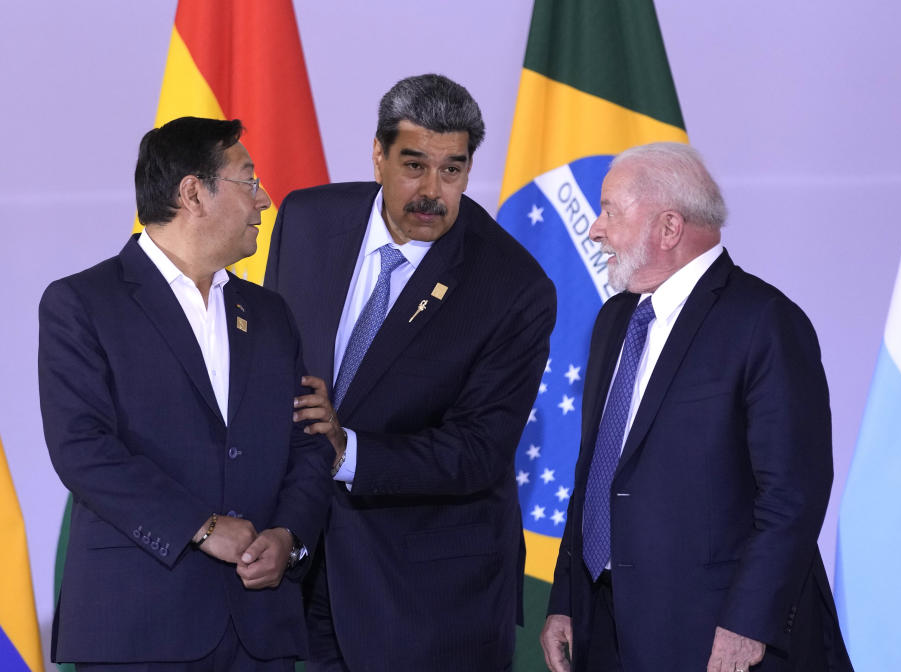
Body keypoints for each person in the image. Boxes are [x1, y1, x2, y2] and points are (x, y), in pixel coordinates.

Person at [264, 73, 557, 671]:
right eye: (414, 165)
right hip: (300, 570)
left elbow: (478, 449)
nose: (432, 190)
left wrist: (347, 450)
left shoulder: (512, 285)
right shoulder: (307, 219)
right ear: (378, 155)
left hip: (427, 599)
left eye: (453, 170)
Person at [540, 143, 853, 672]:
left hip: (711, 635)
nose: (596, 229)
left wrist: (749, 623)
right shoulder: (614, 319)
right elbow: (597, 473)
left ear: (668, 228)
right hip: (604, 630)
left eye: (611, 211)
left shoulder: (765, 322)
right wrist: (566, 600)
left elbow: (792, 496)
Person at [39, 116, 334, 671]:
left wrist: (289, 536)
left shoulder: (270, 315)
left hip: (260, 629)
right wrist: (201, 527)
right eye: (249, 180)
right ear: (193, 193)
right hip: (138, 626)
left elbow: (311, 442)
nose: (264, 200)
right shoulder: (83, 303)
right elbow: (82, 450)